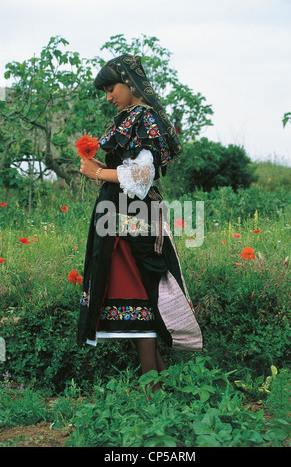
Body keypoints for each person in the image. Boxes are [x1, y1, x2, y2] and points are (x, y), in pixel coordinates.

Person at [78, 54, 202, 391]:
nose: (108, 96)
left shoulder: (145, 119)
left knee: (138, 296)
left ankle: (153, 392)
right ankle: (158, 385)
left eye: (110, 88)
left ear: (130, 83)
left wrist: (97, 172)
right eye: (104, 90)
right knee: (135, 298)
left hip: (132, 223)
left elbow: (141, 178)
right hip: (121, 221)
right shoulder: (130, 118)